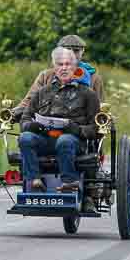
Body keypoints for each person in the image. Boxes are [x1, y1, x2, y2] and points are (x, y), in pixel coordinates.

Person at [19, 47, 100, 213]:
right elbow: (25, 119)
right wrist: (31, 125)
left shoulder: (88, 94)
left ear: (75, 67)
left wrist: (76, 129)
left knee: (64, 140)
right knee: (26, 137)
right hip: (46, 138)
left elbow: (95, 128)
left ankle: (69, 182)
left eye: (68, 64)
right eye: (60, 64)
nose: (64, 68)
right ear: (54, 68)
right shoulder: (42, 92)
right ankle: (34, 180)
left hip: (74, 141)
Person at [12, 34, 103, 121]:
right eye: (67, 50)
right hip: (46, 125)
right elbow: (29, 101)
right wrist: (11, 113)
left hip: (78, 129)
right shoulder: (46, 75)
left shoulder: (94, 77)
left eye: (76, 50)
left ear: (83, 51)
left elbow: (99, 108)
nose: (71, 54)